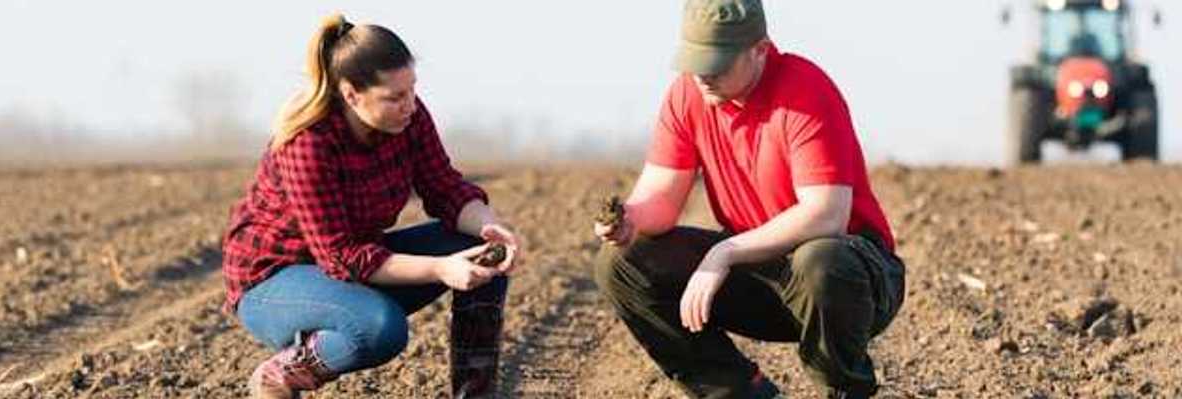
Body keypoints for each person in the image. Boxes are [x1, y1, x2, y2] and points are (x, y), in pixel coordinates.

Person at [591, 0, 906, 398]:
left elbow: (826, 214)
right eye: (695, 61)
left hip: (854, 278)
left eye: (717, 63)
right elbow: (661, 195)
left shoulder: (804, 90)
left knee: (821, 260)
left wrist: (724, 252)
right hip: (763, 272)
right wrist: (629, 219)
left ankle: (846, 389)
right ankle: (740, 393)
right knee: (623, 262)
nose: (703, 76)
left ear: (759, 48)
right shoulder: (689, 95)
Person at [220, 13, 520, 399]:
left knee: (481, 254)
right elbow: (341, 256)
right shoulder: (308, 142)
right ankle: (281, 374)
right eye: (394, 97)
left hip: (347, 267)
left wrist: (489, 228)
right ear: (351, 94)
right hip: (275, 280)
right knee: (380, 328)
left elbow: (444, 188)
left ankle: (476, 393)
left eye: (412, 90)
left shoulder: (409, 119)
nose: (409, 104)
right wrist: (441, 269)